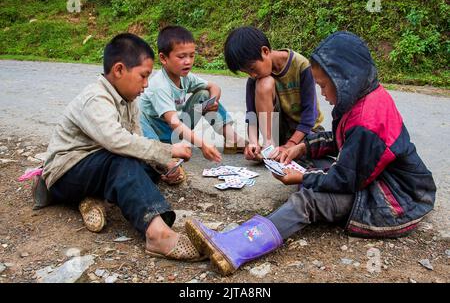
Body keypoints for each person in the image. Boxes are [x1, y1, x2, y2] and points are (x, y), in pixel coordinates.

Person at [186, 31, 436, 275]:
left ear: (344, 80)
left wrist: (303, 178)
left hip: (395, 198)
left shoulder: (366, 122)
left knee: (308, 201)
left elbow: (345, 180)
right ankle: (250, 230)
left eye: (325, 86)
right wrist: (301, 147)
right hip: (378, 180)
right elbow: (339, 140)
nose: (323, 94)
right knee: (306, 167)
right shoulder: (362, 98)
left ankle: (235, 247)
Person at [37, 33, 202, 261]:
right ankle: (157, 235)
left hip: (97, 167)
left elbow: (136, 139)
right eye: (143, 76)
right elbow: (118, 142)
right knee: (123, 161)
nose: (146, 85)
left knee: (146, 167)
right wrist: (168, 150)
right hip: (65, 173)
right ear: (119, 70)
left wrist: (164, 165)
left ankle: (91, 200)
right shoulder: (95, 99)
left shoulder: (129, 100)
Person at [139, 25, 245, 164]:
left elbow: (214, 87)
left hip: (176, 130)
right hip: (157, 134)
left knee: (204, 94)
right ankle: (166, 152)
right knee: (161, 162)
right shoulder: (160, 85)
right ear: (163, 58)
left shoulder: (185, 77)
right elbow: (174, 122)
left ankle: (232, 139)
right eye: (181, 56)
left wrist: (213, 101)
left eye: (191, 55)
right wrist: (202, 144)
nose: (188, 61)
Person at [223, 26, 324, 162]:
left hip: (305, 133)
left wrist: (290, 145)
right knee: (264, 83)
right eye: (246, 72)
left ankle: (280, 150)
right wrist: (253, 143)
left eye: (252, 69)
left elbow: (309, 117)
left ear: (265, 51)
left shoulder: (301, 66)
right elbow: (251, 114)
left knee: (307, 152)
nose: (252, 75)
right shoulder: (255, 79)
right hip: (280, 135)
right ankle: (269, 145)